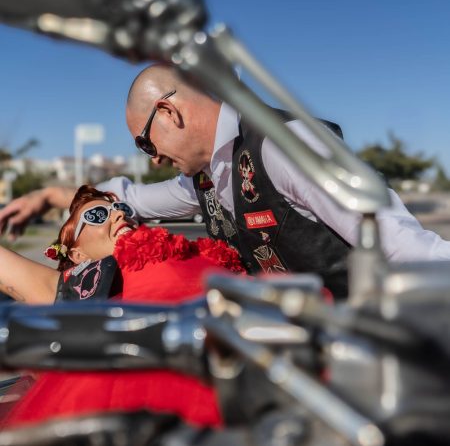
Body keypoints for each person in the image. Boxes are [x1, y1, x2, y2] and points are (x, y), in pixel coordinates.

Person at [1, 64, 450, 299]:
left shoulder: (283, 145)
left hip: (369, 348)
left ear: (169, 112)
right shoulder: (202, 178)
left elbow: (402, 244)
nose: (153, 159)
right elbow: (130, 199)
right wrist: (49, 196)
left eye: (145, 144)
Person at [0, 185, 244, 430]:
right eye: (97, 216)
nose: (119, 215)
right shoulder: (77, 287)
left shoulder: (193, 250)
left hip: (245, 379)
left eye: (122, 209)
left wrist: (49, 195)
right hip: (153, 419)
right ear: (77, 254)